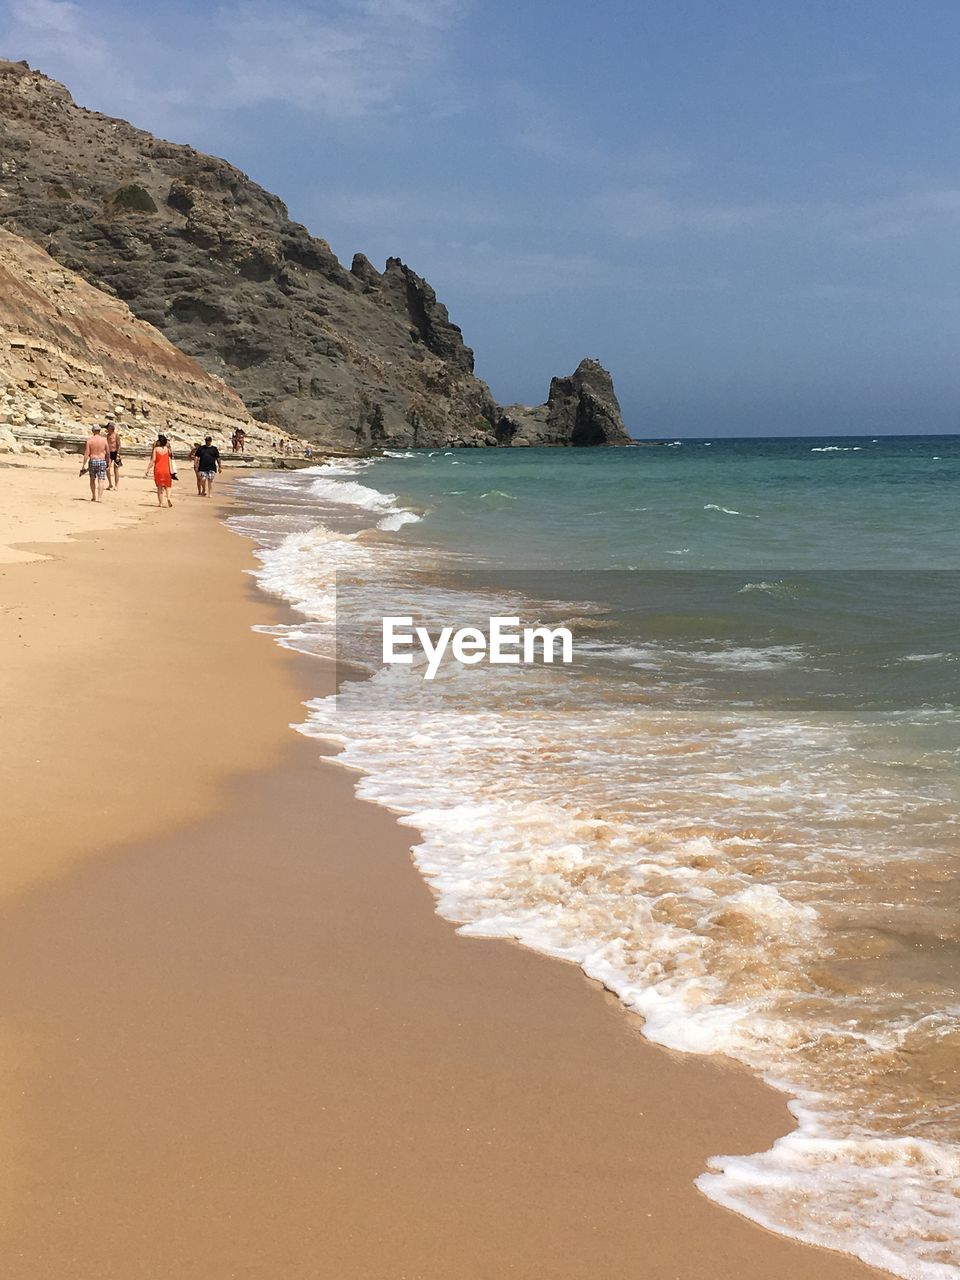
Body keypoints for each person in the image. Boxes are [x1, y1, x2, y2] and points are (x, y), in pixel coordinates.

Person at [146, 433, 176, 508]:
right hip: (167, 469)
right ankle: (168, 498)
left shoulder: (156, 449)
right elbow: (171, 458)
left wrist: (148, 469)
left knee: (159, 487)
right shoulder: (168, 449)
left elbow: (153, 460)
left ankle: (161, 503)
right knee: (168, 486)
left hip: (158, 470)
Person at [81, 424, 110, 502]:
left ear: (93, 431)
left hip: (93, 460)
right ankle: (99, 498)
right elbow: (108, 452)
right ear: (99, 431)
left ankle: (94, 496)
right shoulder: (104, 440)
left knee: (92, 479)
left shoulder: (90, 440)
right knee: (101, 480)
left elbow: (87, 453)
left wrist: (83, 464)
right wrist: (108, 462)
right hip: (102, 460)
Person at [104, 414, 122, 490]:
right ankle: (110, 484)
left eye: (108, 428)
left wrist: (118, 454)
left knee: (116, 469)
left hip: (115, 452)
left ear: (111, 428)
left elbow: (119, 444)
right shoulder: (107, 436)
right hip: (109, 453)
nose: (107, 429)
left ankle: (116, 485)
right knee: (107, 469)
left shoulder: (116, 435)